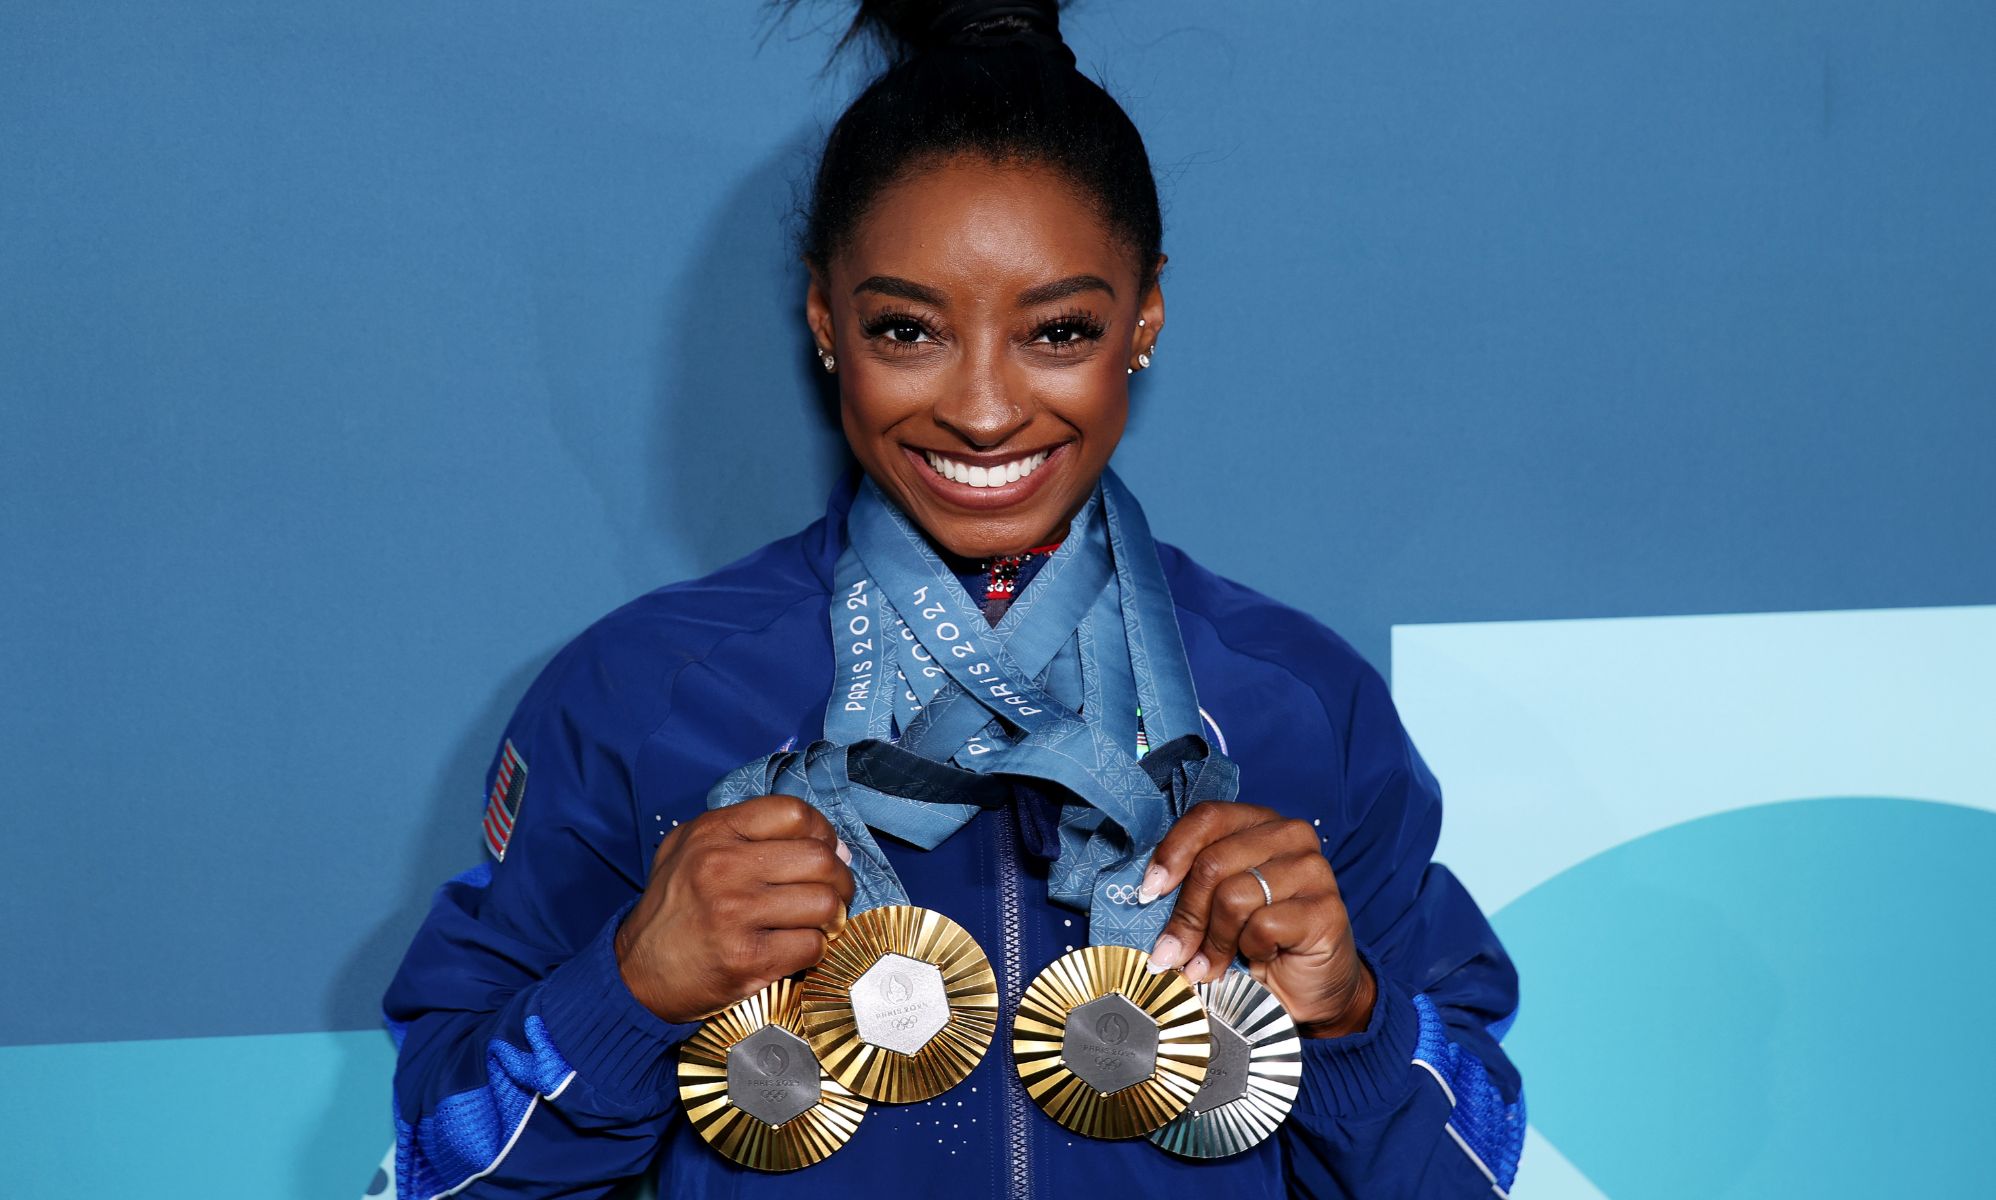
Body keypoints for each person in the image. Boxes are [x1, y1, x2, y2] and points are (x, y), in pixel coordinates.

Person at [382, 2, 1525, 1196]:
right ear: (826, 320)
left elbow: (1473, 1167)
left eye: (1059, 331)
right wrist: (624, 992)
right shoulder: (641, 697)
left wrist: (1348, 1019)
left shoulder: (1296, 704)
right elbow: (438, 1167)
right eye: (908, 330)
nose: (982, 411)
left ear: (1145, 317)